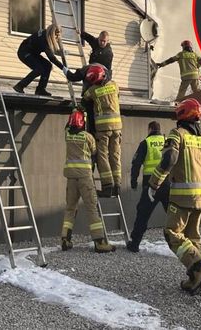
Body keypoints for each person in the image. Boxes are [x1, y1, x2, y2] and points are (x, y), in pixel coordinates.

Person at [149, 98, 201, 295]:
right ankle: (195, 279)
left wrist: (154, 183)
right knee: (193, 236)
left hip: (182, 197)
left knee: (172, 233)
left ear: (181, 115)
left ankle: (199, 268)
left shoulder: (177, 134)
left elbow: (169, 159)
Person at [61, 110, 115, 253]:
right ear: (82, 123)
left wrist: (73, 112)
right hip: (85, 177)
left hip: (71, 178)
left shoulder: (67, 135)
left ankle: (65, 239)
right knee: (91, 208)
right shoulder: (87, 137)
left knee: (70, 208)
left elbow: (67, 127)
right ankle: (99, 242)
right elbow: (94, 152)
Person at [126, 121, 169, 253]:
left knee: (143, 213)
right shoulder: (167, 141)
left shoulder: (146, 143)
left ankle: (134, 244)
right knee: (174, 214)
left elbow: (136, 163)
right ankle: (184, 242)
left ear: (150, 129)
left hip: (151, 185)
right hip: (167, 184)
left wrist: (133, 181)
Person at [82, 65, 122, 198]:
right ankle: (117, 186)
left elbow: (84, 99)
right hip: (117, 128)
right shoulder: (115, 85)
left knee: (102, 156)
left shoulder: (93, 90)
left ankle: (107, 186)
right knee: (115, 155)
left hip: (103, 130)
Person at [13, 24, 65, 96]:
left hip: (32, 53)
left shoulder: (45, 34)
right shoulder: (44, 39)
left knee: (47, 65)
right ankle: (20, 85)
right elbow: (52, 58)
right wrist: (63, 68)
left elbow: (51, 52)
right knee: (39, 69)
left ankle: (40, 89)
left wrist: (61, 53)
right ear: (53, 34)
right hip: (24, 52)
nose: (56, 38)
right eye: (56, 36)